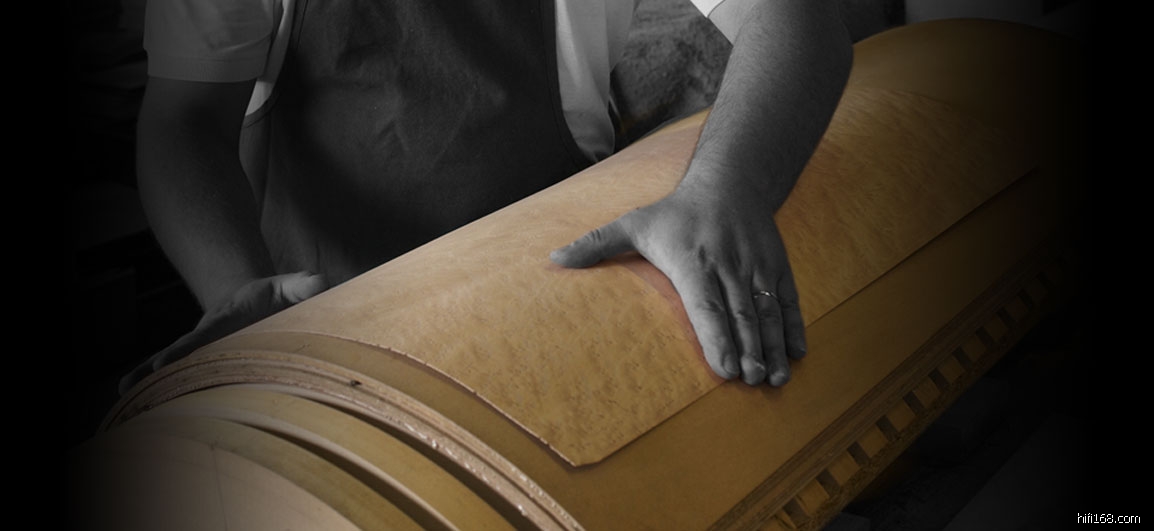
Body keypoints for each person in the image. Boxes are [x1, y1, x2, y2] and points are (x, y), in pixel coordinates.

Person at [120, 0, 852, 393]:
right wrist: (239, 295)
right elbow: (185, 121)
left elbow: (797, 16)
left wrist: (725, 190)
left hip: (559, 303)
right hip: (324, 325)